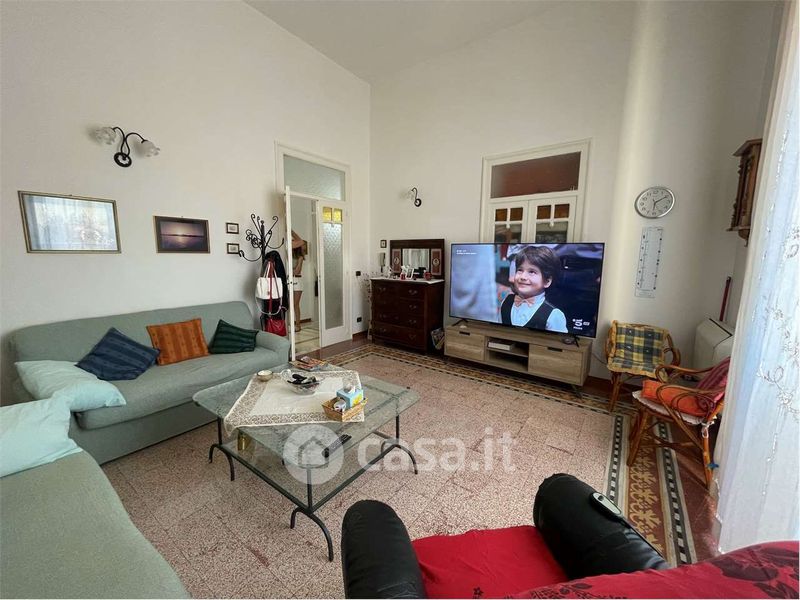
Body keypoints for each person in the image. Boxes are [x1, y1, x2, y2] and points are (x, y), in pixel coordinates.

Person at [500, 245, 568, 332]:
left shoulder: (554, 315)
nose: (523, 277)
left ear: (547, 281)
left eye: (532, 272)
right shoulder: (506, 302)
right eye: (520, 270)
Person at [291, 230, 308, 331]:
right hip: (289, 280)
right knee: (289, 304)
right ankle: (290, 324)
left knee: (295, 304)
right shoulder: (289, 255)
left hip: (297, 281)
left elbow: (297, 271)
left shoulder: (300, 257)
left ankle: (298, 325)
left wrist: (291, 231)